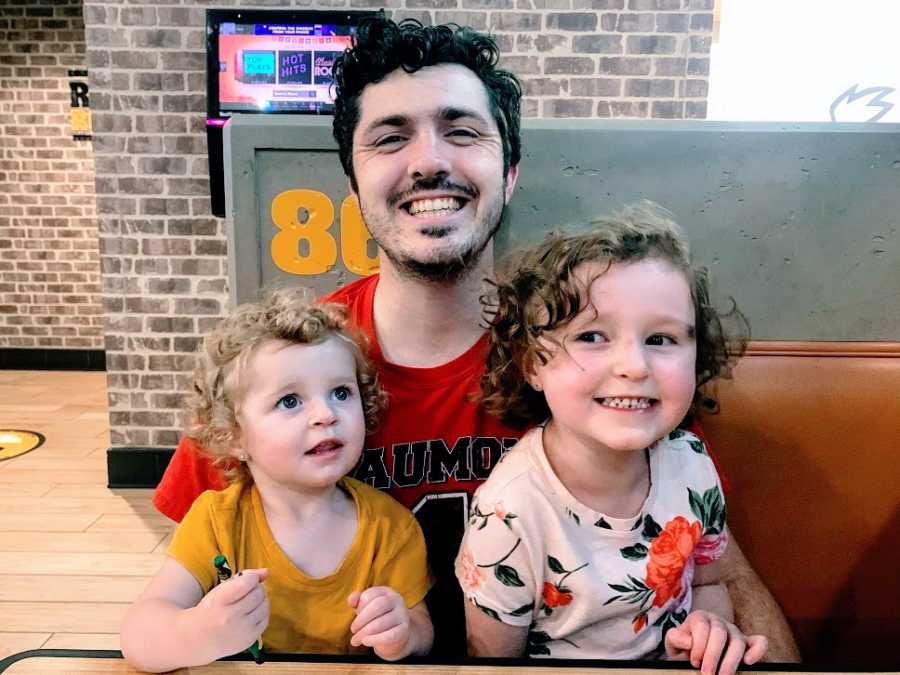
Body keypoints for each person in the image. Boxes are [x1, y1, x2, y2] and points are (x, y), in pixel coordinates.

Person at [152, 15, 800, 661]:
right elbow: (182, 592)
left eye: (461, 131)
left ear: (509, 171)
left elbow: (717, 567)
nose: (430, 161)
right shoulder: (282, 366)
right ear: (353, 184)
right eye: (389, 138)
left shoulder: (598, 357)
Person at [456, 204, 767, 675]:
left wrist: (710, 628)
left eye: (661, 340)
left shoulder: (693, 462)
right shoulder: (507, 515)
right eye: (592, 335)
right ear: (532, 364)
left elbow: (708, 583)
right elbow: (493, 664)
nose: (634, 366)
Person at [121, 289, 433, 672]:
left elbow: (422, 631)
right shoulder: (216, 521)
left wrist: (403, 632)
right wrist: (196, 633)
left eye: (340, 392)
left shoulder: (391, 528)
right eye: (290, 401)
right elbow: (138, 634)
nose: (325, 414)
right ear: (233, 436)